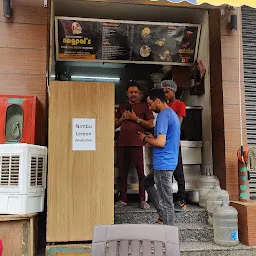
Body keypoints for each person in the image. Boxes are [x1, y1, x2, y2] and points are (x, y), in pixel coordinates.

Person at [138, 88, 180, 225]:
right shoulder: (171, 113)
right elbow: (163, 139)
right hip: (165, 162)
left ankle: (168, 236)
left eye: (150, 104)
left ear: (157, 100)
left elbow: (161, 143)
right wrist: (151, 138)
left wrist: (145, 138)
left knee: (166, 201)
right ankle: (162, 216)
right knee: (147, 183)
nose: (149, 107)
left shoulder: (163, 115)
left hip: (163, 164)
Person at [115, 81, 154, 209]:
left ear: (140, 94)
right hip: (122, 144)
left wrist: (135, 118)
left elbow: (150, 124)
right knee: (122, 172)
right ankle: (123, 199)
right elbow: (114, 124)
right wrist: (122, 118)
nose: (133, 94)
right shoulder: (121, 107)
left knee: (141, 172)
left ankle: (142, 199)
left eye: (135, 92)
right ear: (127, 94)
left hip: (138, 143)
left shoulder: (145, 107)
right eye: (131, 92)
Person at [161, 80, 187, 211]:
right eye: (163, 92)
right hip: (163, 144)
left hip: (174, 143)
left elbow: (178, 124)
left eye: (167, 91)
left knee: (178, 172)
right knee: (167, 173)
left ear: (173, 91)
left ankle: (181, 198)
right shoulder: (162, 106)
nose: (165, 94)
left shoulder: (180, 105)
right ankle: (168, 199)